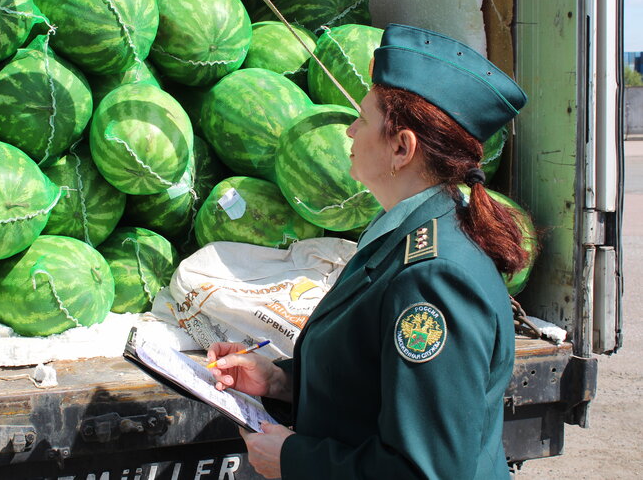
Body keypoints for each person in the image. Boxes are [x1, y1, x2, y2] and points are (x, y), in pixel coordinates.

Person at [207, 24, 532, 479]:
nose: (349, 130)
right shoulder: (404, 236)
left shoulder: (434, 278)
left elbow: (429, 471)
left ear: (401, 148)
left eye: (362, 118)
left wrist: (295, 461)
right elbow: (374, 379)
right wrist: (281, 381)